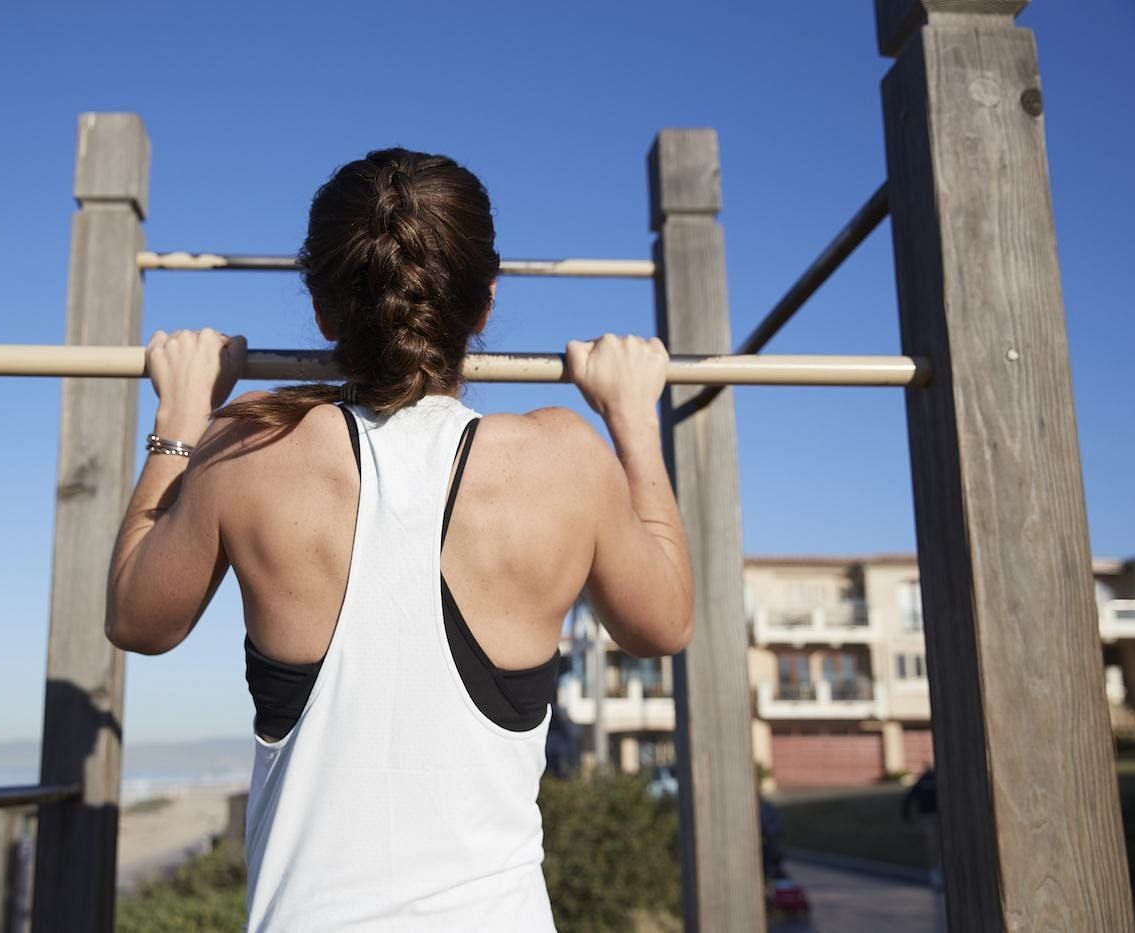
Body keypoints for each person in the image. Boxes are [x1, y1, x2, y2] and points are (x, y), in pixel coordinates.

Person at [104, 147, 694, 931]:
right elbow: (666, 623)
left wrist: (178, 421)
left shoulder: (247, 447)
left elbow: (134, 616)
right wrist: (633, 420)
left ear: (321, 311)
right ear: (484, 303)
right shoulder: (567, 460)